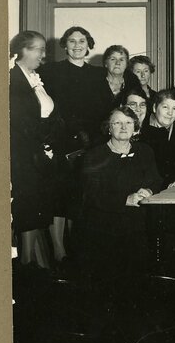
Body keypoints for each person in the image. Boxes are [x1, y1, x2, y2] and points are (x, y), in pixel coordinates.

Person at [37, 25, 105, 264]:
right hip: (60, 141)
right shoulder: (51, 70)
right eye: (73, 41)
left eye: (82, 41)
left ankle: (76, 248)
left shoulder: (97, 74)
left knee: (81, 195)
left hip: (88, 144)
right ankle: (58, 251)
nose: (77, 45)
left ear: (89, 46)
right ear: (65, 45)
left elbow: (104, 110)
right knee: (60, 196)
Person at [75, 107, 163, 282]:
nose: (124, 127)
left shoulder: (145, 151)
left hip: (138, 226)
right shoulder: (94, 156)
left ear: (135, 127)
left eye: (129, 123)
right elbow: (91, 194)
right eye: (117, 123)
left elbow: (156, 180)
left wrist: (149, 190)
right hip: (104, 228)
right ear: (108, 127)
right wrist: (126, 199)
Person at [9, 31, 61, 270]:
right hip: (24, 155)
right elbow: (21, 123)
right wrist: (43, 143)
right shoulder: (13, 80)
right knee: (29, 207)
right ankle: (28, 266)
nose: (43, 54)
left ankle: (39, 267)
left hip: (39, 153)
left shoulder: (35, 78)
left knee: (39, 207)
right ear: (23, 51)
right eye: (38, 49)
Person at [139, 89, 175, 186]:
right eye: (165, 107)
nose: (170, 113)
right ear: (154, 107)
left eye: (174, 109)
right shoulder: (142, 134)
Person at [98, 44, 140, 116]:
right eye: (113, 59)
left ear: (126, 64)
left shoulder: (134, 86)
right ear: (105, 63)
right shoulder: (95, 85)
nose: (117, 63)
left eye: (121, 59)